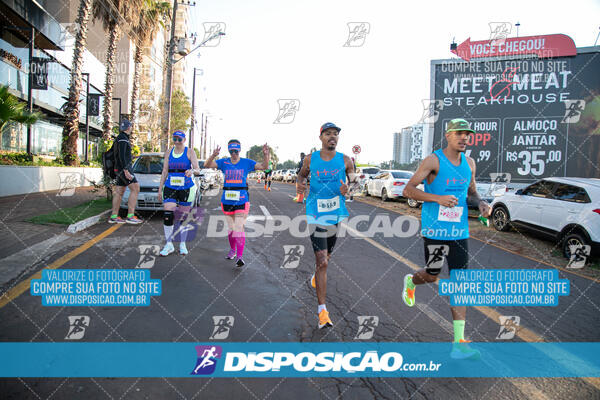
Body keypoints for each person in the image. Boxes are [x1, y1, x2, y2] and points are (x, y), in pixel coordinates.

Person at [402, 118, 492, 360]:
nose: (464, 138)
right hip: (435, 230)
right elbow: (408, 190)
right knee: (432, 275)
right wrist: (437, 198)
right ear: (448, 135)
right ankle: (411, 282)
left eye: (467, 134)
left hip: (460, 231)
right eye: (459, 133)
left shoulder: (469, 163)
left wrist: (481, 203)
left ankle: (459, 343)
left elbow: (471, 192)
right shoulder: (434, 160)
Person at [296, 122, 359, 329]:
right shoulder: (310, 159)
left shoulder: (346, 160)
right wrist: (300, 184)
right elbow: (302, 175)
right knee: (322, 261)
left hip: (335, 214)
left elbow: (355, 185)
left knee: (327, 257)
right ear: (321, 137)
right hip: (315, 214)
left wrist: (348, 188)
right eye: (328, 134)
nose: (333, 137)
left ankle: (316, 275)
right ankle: (322, 311)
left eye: (336, 134)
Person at [204, 140, 270, 267]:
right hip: (227, 199)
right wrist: (213, 155)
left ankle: (240, 257)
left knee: (239, 227)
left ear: (240, 150)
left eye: (236, 151)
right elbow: (207, 165)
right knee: (231, 228)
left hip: (242, 199)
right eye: (231, 151)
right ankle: (233, 250)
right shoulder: (223, 162)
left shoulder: (247, 162)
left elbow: (264, 167)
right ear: (229, 151)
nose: (234, 154)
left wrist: (266, 155)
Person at [157, 130, 201, 256]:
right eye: (174, 139)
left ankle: (182, 244)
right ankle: (169, 244)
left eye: (179, 139)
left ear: (184, 140)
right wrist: (160, 189)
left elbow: (197, 169)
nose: (176, 142)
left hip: (186, 187)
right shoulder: (169, 152)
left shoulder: (189, 151)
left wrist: (191, 171)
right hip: (170, 186)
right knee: (168, 211)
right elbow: (165, 171)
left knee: (182, 216)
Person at [108, 119, 142, 224]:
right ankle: (130, 216)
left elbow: (121, 155)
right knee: (135, 188)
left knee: (119, 192)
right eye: (131, 126)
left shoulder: (120, 138)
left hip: (119, 168)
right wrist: (126, 171)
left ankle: (114, 216)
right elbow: (122, 156)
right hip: (124, 169)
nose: (131, 128)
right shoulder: (123, 139)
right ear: (129, 128)